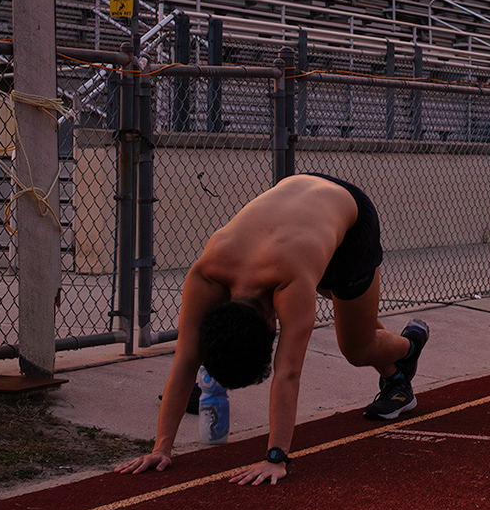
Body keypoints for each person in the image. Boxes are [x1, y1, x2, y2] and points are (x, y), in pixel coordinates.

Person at [115, 173, 429, 486]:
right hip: (302, 204)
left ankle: (409, 346)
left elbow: (288, 373)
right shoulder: (207, 273)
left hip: (351, 221)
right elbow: (185, 358)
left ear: (271, 325)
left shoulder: (290, 283)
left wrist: (276, 457)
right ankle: (396, 378)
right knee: (348, 313)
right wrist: (161, 448)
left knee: (357, 347)